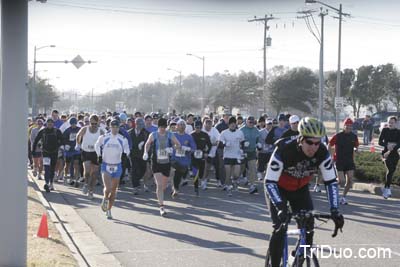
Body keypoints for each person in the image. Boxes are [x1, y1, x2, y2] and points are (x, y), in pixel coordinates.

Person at [264, 117, 344, 267]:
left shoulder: (321, 152)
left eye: (317, 142)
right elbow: (270, 182)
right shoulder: (284, 149)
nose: (313, 147)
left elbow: (331, 182)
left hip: (300, 190)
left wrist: (335, 210)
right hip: (278, 188)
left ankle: (299, 258)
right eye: (309, 142)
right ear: (301, 139)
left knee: (308, 227)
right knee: (280, 227)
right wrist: (281, 207)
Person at [143, 118, 181, 216]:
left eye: (164, 127)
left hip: (166, 163)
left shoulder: (170, 135)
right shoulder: (153, 135)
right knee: (159, 185)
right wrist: (145, 152)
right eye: (161, 127)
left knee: (163, 186)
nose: (163, 129)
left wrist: (171, 149)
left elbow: (178, 144)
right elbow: (147, 144)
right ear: (158, 127)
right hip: (156, 162)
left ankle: (161, 197)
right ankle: (161, 207)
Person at [95, 119, 130, 219]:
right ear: (110, 127)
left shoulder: (122, 138)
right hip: (106, 165)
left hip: (117, 166)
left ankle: (109, 210)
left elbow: (127, 148)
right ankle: (105, 198)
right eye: (113, 127)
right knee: (108, 189)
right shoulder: (104, 137)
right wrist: (99, 155)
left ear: (119, 128)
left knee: (114, 191)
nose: (114, 129)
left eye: (116, 127)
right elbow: (97, 145)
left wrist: (125, 154)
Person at [328, 118, 359, 205]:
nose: (349, 127)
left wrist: (356, 149)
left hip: (349, 161)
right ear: (344, 126)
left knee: (350, 180)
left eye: (350, 126)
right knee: (341, 181)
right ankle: (332, 190)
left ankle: (343, 197)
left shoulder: (354, 136)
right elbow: (330, 145)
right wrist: (330, 156)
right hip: (339, 160)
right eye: (347, 126)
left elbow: (356, 146)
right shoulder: (338, 136)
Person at [76, 114, 105, 199]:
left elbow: (106, 139)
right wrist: (77, 144)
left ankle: (91, 191)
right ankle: (85, 183)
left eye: (95, 124)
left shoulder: (101, 131)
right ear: (89, 123)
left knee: (95, 173)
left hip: (95, 153)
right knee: (87, 171)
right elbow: (78, 135)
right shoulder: (85, 129)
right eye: (92, 123)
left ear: (98, 123)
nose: (93, 125)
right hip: (86, 152)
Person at [32, 118, 63, 192]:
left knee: (52, 168)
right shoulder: (43, 131)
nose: (50, 125)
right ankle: (46, 183)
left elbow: (62, 139)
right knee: (47, 168)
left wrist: (60, 145)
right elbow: (36, 140)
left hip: (54, 153)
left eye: (51, 123)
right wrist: (33, 150)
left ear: (53, 124)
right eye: (48, 124)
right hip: (46, 152)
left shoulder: (57, 131)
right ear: (46, 124)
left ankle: (51, 183)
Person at [218, 117, 245, 196]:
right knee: (228, 174)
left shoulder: (239, 133)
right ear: (229, 124)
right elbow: (219, 145)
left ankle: (234, 182)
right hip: (227, 155)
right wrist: (225, 144)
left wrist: (242, 149)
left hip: (237, 155)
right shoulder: (224, 133)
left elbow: (243, 143)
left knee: (236, 174)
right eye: (231, 123)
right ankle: (227, 186)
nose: (233, 125)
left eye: (234, 123)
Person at [171, 120, 196, 197]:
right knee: (177, 171)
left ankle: (175, 188)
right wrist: (172, 148)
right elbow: (167, 145)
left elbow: (194, 148)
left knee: (179, 174)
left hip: (185, 160)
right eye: (180, 125)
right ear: (177, 126)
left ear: (185, 127)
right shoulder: (172, 135)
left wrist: (187, 149)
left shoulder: (189, 137)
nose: (182, 126)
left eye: (183, 125)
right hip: (174, 158)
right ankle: (175, 189)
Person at [378, 116, 400, 199]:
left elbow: (399, 143)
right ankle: (387, 189)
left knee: (392, 171)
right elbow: (380, 142)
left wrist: (394, 146)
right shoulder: (384, 130)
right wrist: (387, 145)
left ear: (395, 123)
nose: (390, 124)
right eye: (389, 122)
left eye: (392, 122)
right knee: (390, 169)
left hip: (395, 154)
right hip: (385, 154)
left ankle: (386, 188)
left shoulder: (398, 132)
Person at [240, 116, 262, 194]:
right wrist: (243, 144)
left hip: (252, 152)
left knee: (253, 168)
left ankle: (252, 185)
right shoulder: (241, 130)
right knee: (241, 168)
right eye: (250, 122)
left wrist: (259, 144)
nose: (251, 124)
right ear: (246, 122)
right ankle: (235, 180)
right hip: (242, 152)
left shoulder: (256, 130)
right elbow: (237, 141)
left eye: (253, 122)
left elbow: (258, 139)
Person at [128, 118, 150, 195]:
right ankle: (135, 187)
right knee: (134, 169)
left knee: (143, 169)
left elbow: (150, 143)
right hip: (133, 155)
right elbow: (127, 143)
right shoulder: (130, 132)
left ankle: (136, 180)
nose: (140, 126)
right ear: (135, 124)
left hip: (142, 155)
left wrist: (145, 148)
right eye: (139, 124)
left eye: (142, 124)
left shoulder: (146, 133)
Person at [191, 120, 212, 195]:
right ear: (194, 127)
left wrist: (206, 152)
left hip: (202, 155)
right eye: (196, 127)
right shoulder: (191, 135)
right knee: (195, 172)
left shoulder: (205, 135)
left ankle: (200, 180)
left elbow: (209, 145)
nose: (198, 129)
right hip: (193, 156)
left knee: (201, 173)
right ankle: (196, 187)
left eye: (199, 127)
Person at [202, 118, 220, 189]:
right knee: (206, 167)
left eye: (210, 126)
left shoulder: (214, 130)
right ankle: (204, 181)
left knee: (217, 167)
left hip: (214, 151)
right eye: (207, 126)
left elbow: (218, 140)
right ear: (204, 125)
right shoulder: (202, 130)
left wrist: (215, 143)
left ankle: (218, 181)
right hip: (206, 151)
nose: (208, 127)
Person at [62, 117, 81, 186]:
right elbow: (63, 138)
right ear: (70, 124)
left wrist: (80, 144)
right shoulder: (67, 130)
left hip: (76, 150)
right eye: (72, 124)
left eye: (75, 124)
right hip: (69, 150)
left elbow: (82, 137)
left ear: (76, 123)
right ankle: (65, 176)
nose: (73, 125)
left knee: (76, 164)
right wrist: (65, 144)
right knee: (67, 164)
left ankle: (76, 180)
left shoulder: (79, 130)